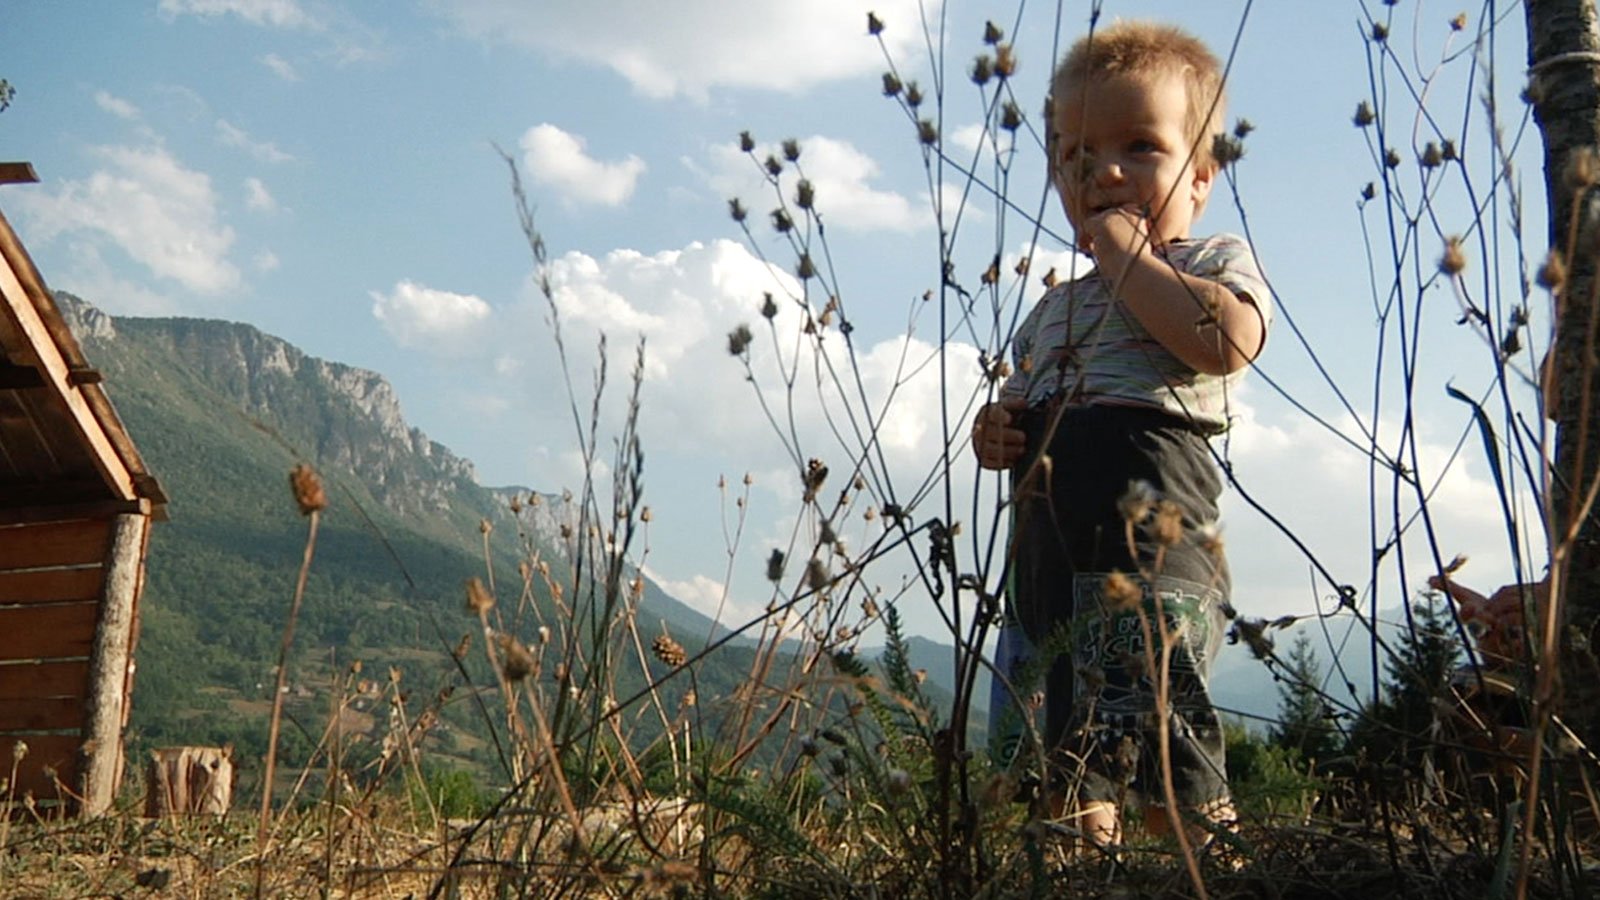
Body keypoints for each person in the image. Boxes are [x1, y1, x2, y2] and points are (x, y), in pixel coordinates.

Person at [972, 20, 1272, 849]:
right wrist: (996, 431)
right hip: (1044, 562)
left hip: (1148, 556)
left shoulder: (1210, 262)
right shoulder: (1049, 310)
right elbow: (1017, 411)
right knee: (1059, 765)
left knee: (1165, 753)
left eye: (1140, 147)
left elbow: (1225, 342)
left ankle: (1211, 870)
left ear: (1201, 176)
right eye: (1076, 156)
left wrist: (1130, 254)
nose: (1104, 170)